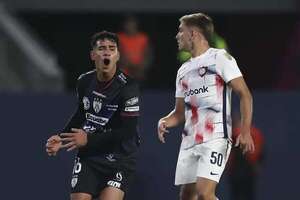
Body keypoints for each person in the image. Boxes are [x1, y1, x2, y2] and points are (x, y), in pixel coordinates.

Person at [157, 13, 255, 200]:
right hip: (189, 141)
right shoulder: (183, 70)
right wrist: (165, 121)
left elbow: (245, 95)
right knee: (187, 196)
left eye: (181, 31)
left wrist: (245, 130)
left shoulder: (221, 58)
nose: (177, 36)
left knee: (204, 193)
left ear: (193, 34)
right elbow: (179, 113)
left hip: (215, 138)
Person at [45, 31, 140, 200]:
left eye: (112, 48)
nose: (106, 52)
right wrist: (62, 138)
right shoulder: (84, 81)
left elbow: (128, 131)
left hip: (119, 158)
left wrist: (89, 139)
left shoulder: (128, 87)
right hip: (90, 156)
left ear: (117, 56)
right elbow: (83, 113)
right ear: (93, 55)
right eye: (101, 48)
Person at [227, 114, 265, 200]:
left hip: (245, 170)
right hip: (238, 171)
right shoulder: (255, 133)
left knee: (244, 195)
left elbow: (259, 153)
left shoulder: (236, 134)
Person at [117, 15, 152, 80]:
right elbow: (117, 54)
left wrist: (141, 67)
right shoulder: (119, 38)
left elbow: (148, 55)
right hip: (123, 72)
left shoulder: (143, 38)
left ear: (136, 25)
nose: (130, 27)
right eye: (128, 24)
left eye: (132, 24)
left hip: (139, 73)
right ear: (124, 25)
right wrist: (129, 65)